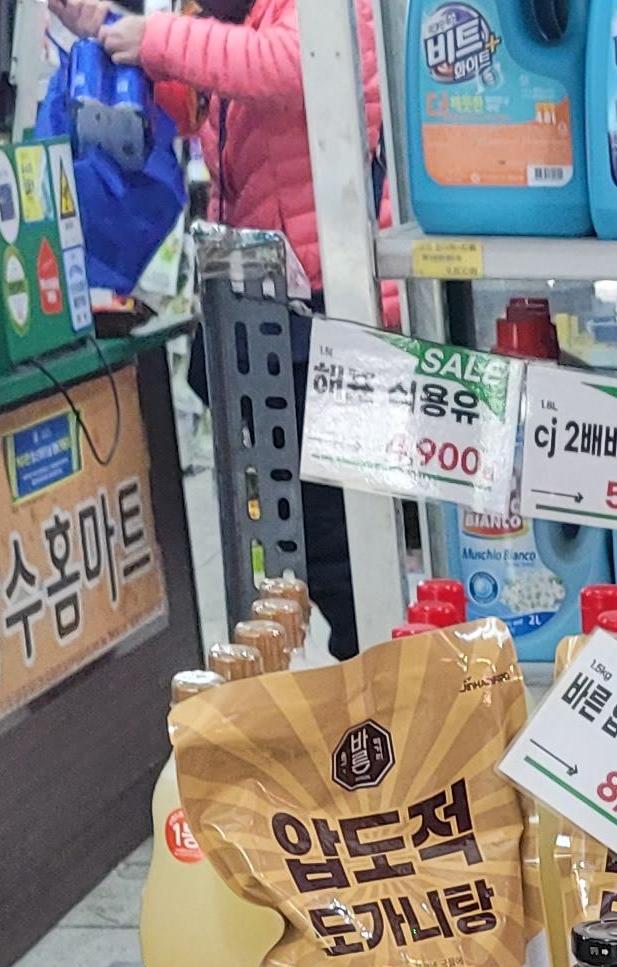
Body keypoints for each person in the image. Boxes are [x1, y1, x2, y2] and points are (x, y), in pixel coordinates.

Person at [46, 0, 378, 652]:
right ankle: (367, 666)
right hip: (275, 308)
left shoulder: (318, 14)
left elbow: (282, 64)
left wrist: (156, 38)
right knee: (309, 523)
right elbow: (194, 94)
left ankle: (381, 670)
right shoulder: (233, 20)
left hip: (330, 307)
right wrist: (110, 33)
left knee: (339, 529)